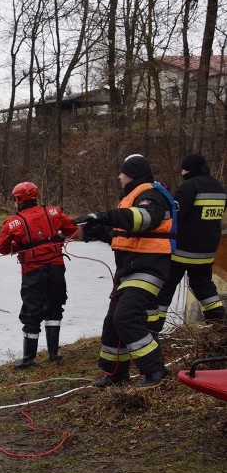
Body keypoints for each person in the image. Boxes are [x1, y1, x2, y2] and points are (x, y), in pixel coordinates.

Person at [75, 154, 173, 389]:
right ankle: (116, 373)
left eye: (121, 173)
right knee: (112, 322)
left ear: (131, 174)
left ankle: (155, 369)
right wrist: (99, 232)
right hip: (129, 270)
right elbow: (126, 238)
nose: (119, 177)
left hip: (149, 268)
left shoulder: (151, 196)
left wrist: (103, 215)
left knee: (125, 317)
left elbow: (143, 220)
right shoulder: (131, 198)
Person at [0, 181, 78, 368]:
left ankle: (29, 359)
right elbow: (71, 228)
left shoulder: (13, 222)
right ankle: (54, 353)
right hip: (57, 268)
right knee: (55, 307)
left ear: (18, 199)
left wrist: (16, 246)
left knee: (31, 312)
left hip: (33, 272)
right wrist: (57, 238)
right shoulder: (53, 212)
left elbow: (0, 247)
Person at [152, 153, 226, 332]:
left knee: (164, 290)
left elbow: (175, 214)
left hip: (182, 251)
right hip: (207, 253)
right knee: (204, 287)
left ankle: (152, 330)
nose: (182, 173)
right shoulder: (220, 188)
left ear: (190, 170)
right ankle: (219, 325)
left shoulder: (189, 186)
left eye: (184, 169)